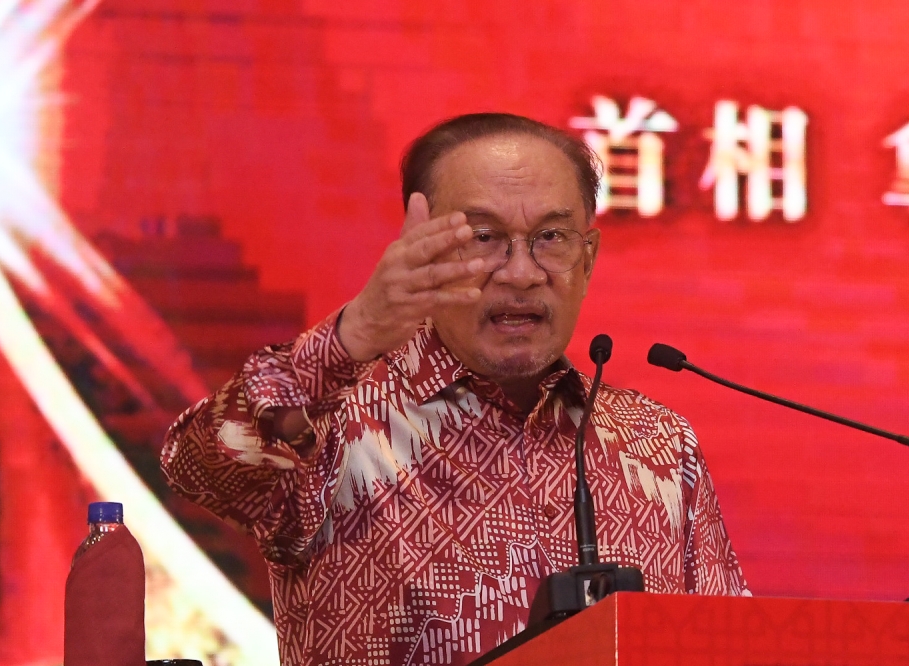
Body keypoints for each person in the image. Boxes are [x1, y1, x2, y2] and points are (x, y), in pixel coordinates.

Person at [161, 113, 748, 666]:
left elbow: (729, 645)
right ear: (424, 249)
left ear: (587, 260)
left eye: (551, 236)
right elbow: (197, 466)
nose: (521, 273)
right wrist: (353, 336)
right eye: (483, 237)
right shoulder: (337, 421)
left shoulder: (656, 441)